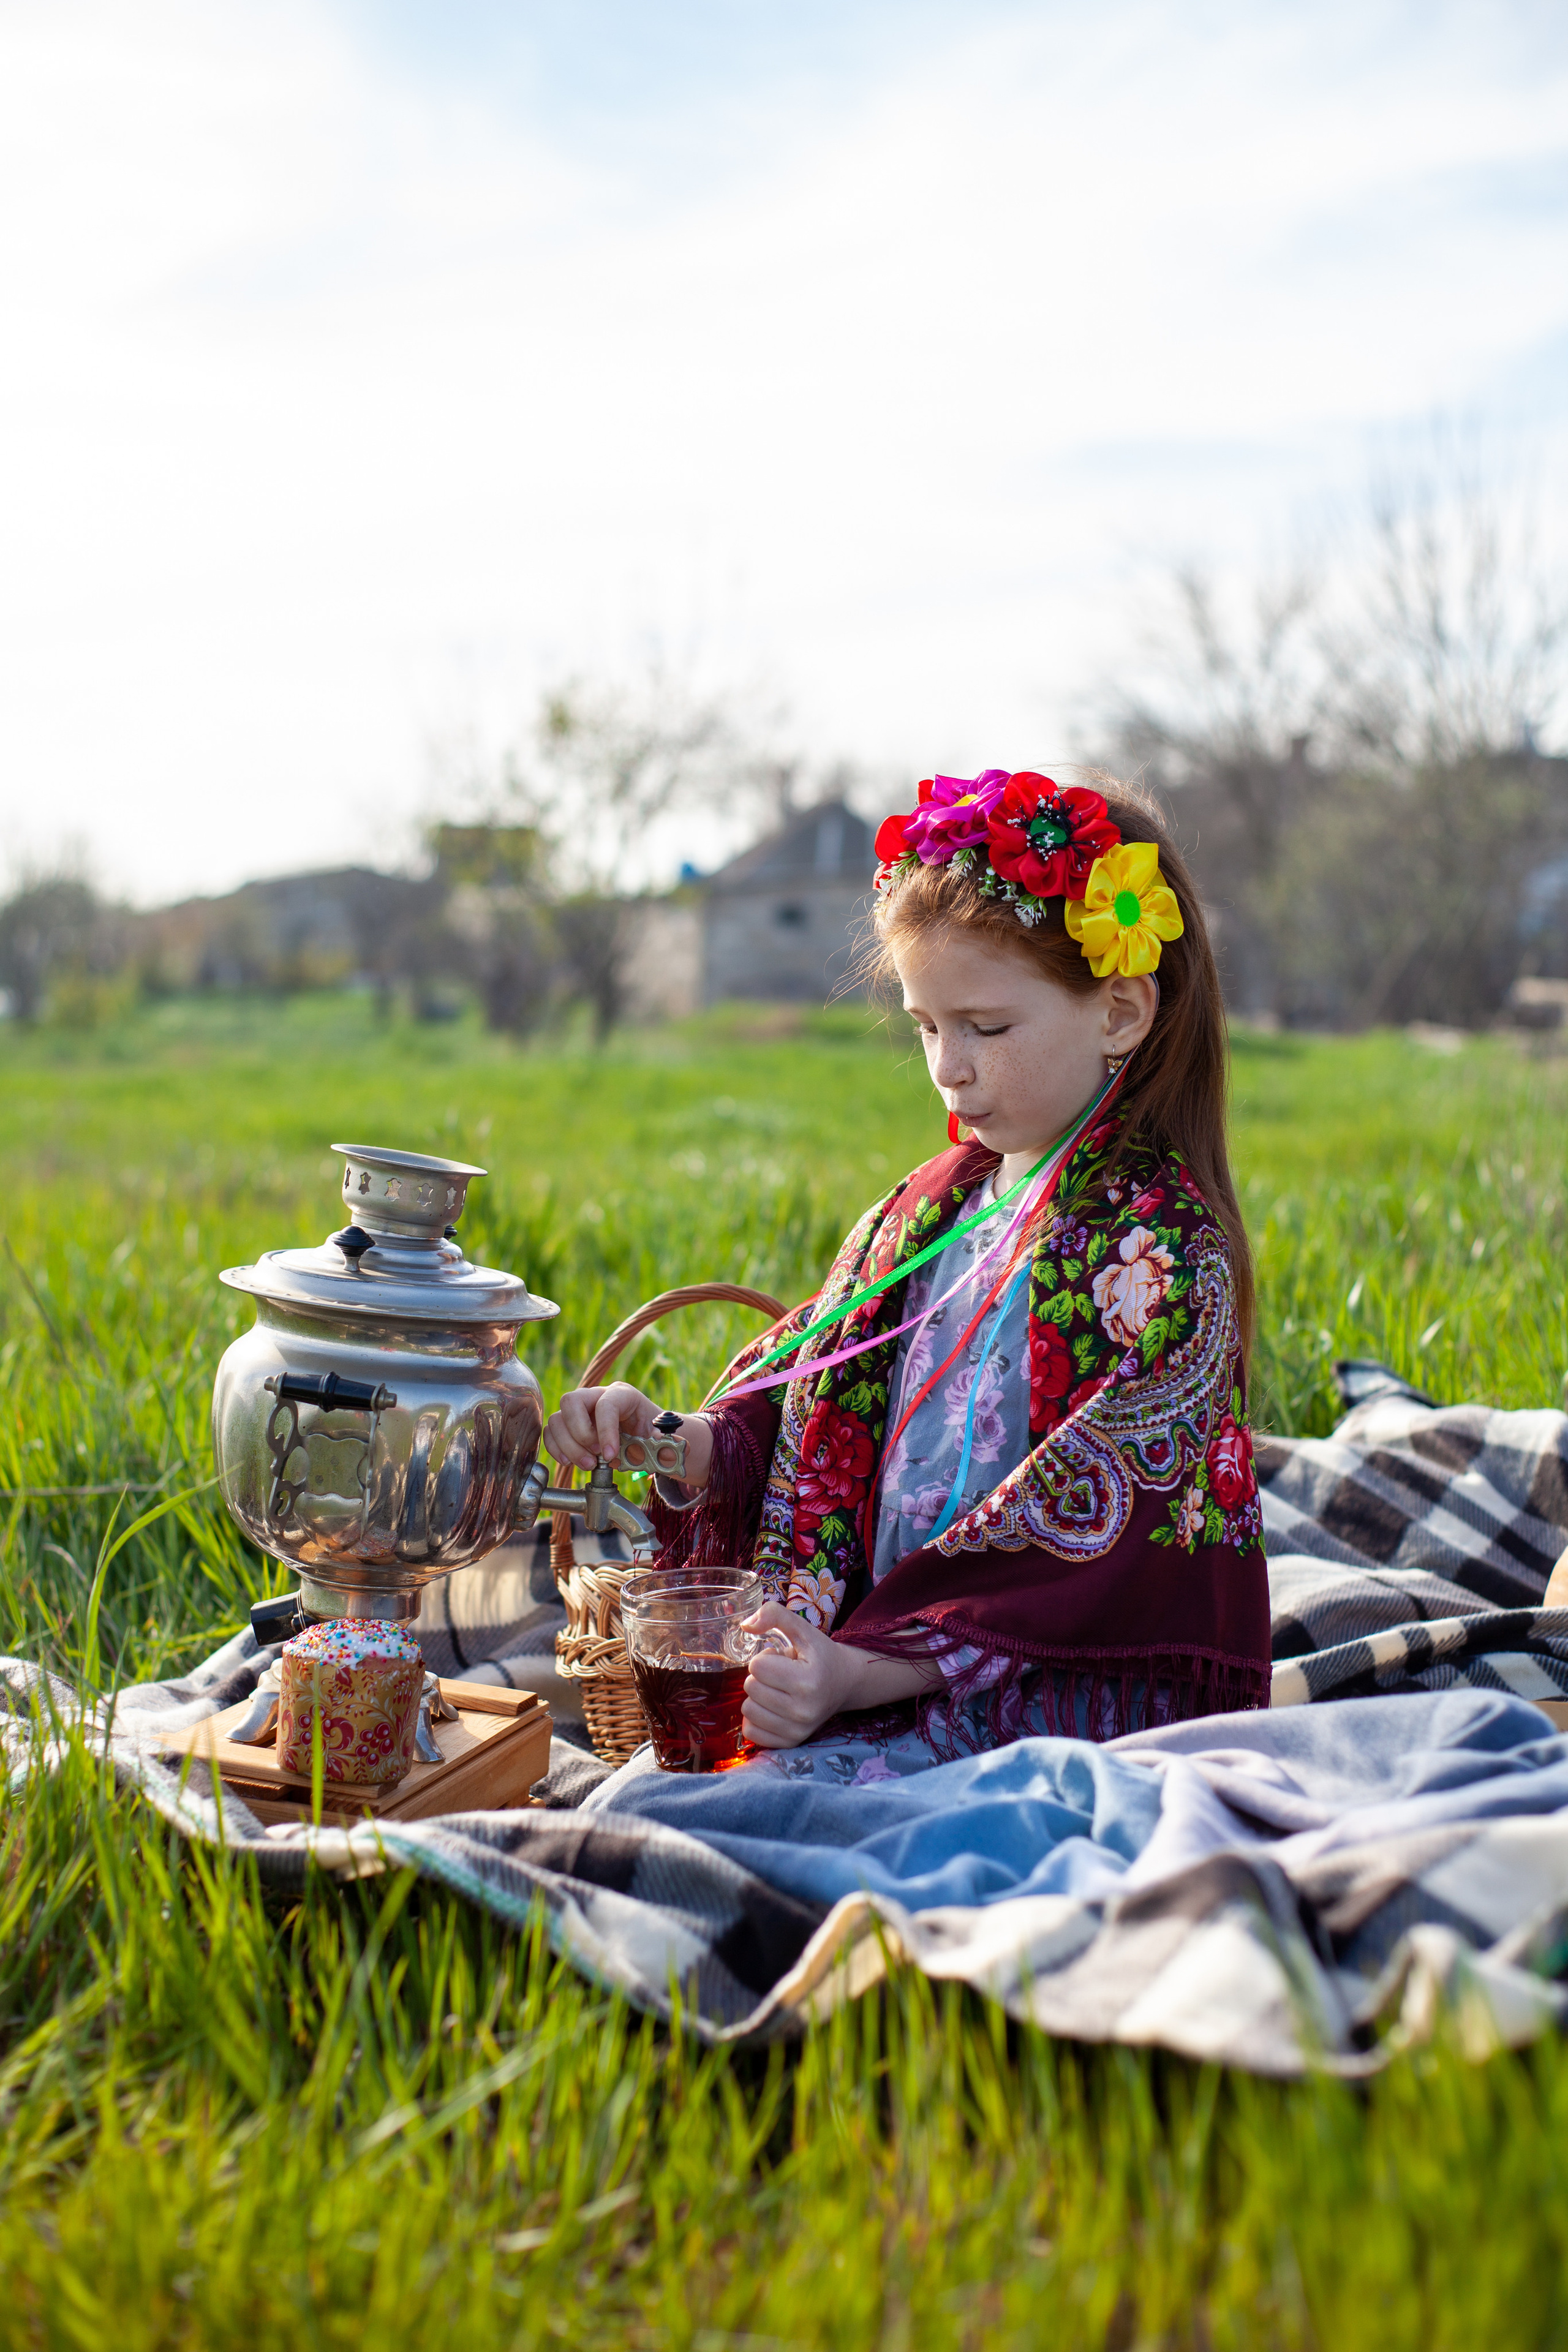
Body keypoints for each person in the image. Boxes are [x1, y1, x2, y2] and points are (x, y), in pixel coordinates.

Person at [545, 767, 1270, 1781]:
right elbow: (820, 1417)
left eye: (986, 1027)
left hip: (1039, 1706)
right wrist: (672, 1440)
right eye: (928, 1026)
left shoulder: (1157, 1252)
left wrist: (856, 1673)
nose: (947, 1069)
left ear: (1121, 1012)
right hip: (849, 1666)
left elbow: (1084, 1555)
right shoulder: (928, 1207)